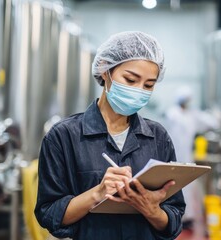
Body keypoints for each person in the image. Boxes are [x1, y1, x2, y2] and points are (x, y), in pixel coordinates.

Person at [34, 31, 186, 240]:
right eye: (131, 80)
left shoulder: (157, 137)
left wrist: (153, 211)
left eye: (148, 85)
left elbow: (174, 218)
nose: (139, 91)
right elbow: (49, 214)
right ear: (106, 70)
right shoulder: (64, 136)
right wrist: (97, 194)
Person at [164, 86, 220, 238]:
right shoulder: (172, 114)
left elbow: (210, 122)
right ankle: (174, 217)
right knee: (173, 187)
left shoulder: (192, 115)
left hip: (187, 157)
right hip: (172, 156)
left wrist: (216, 115)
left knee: (188, 188)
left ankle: (186, 218)